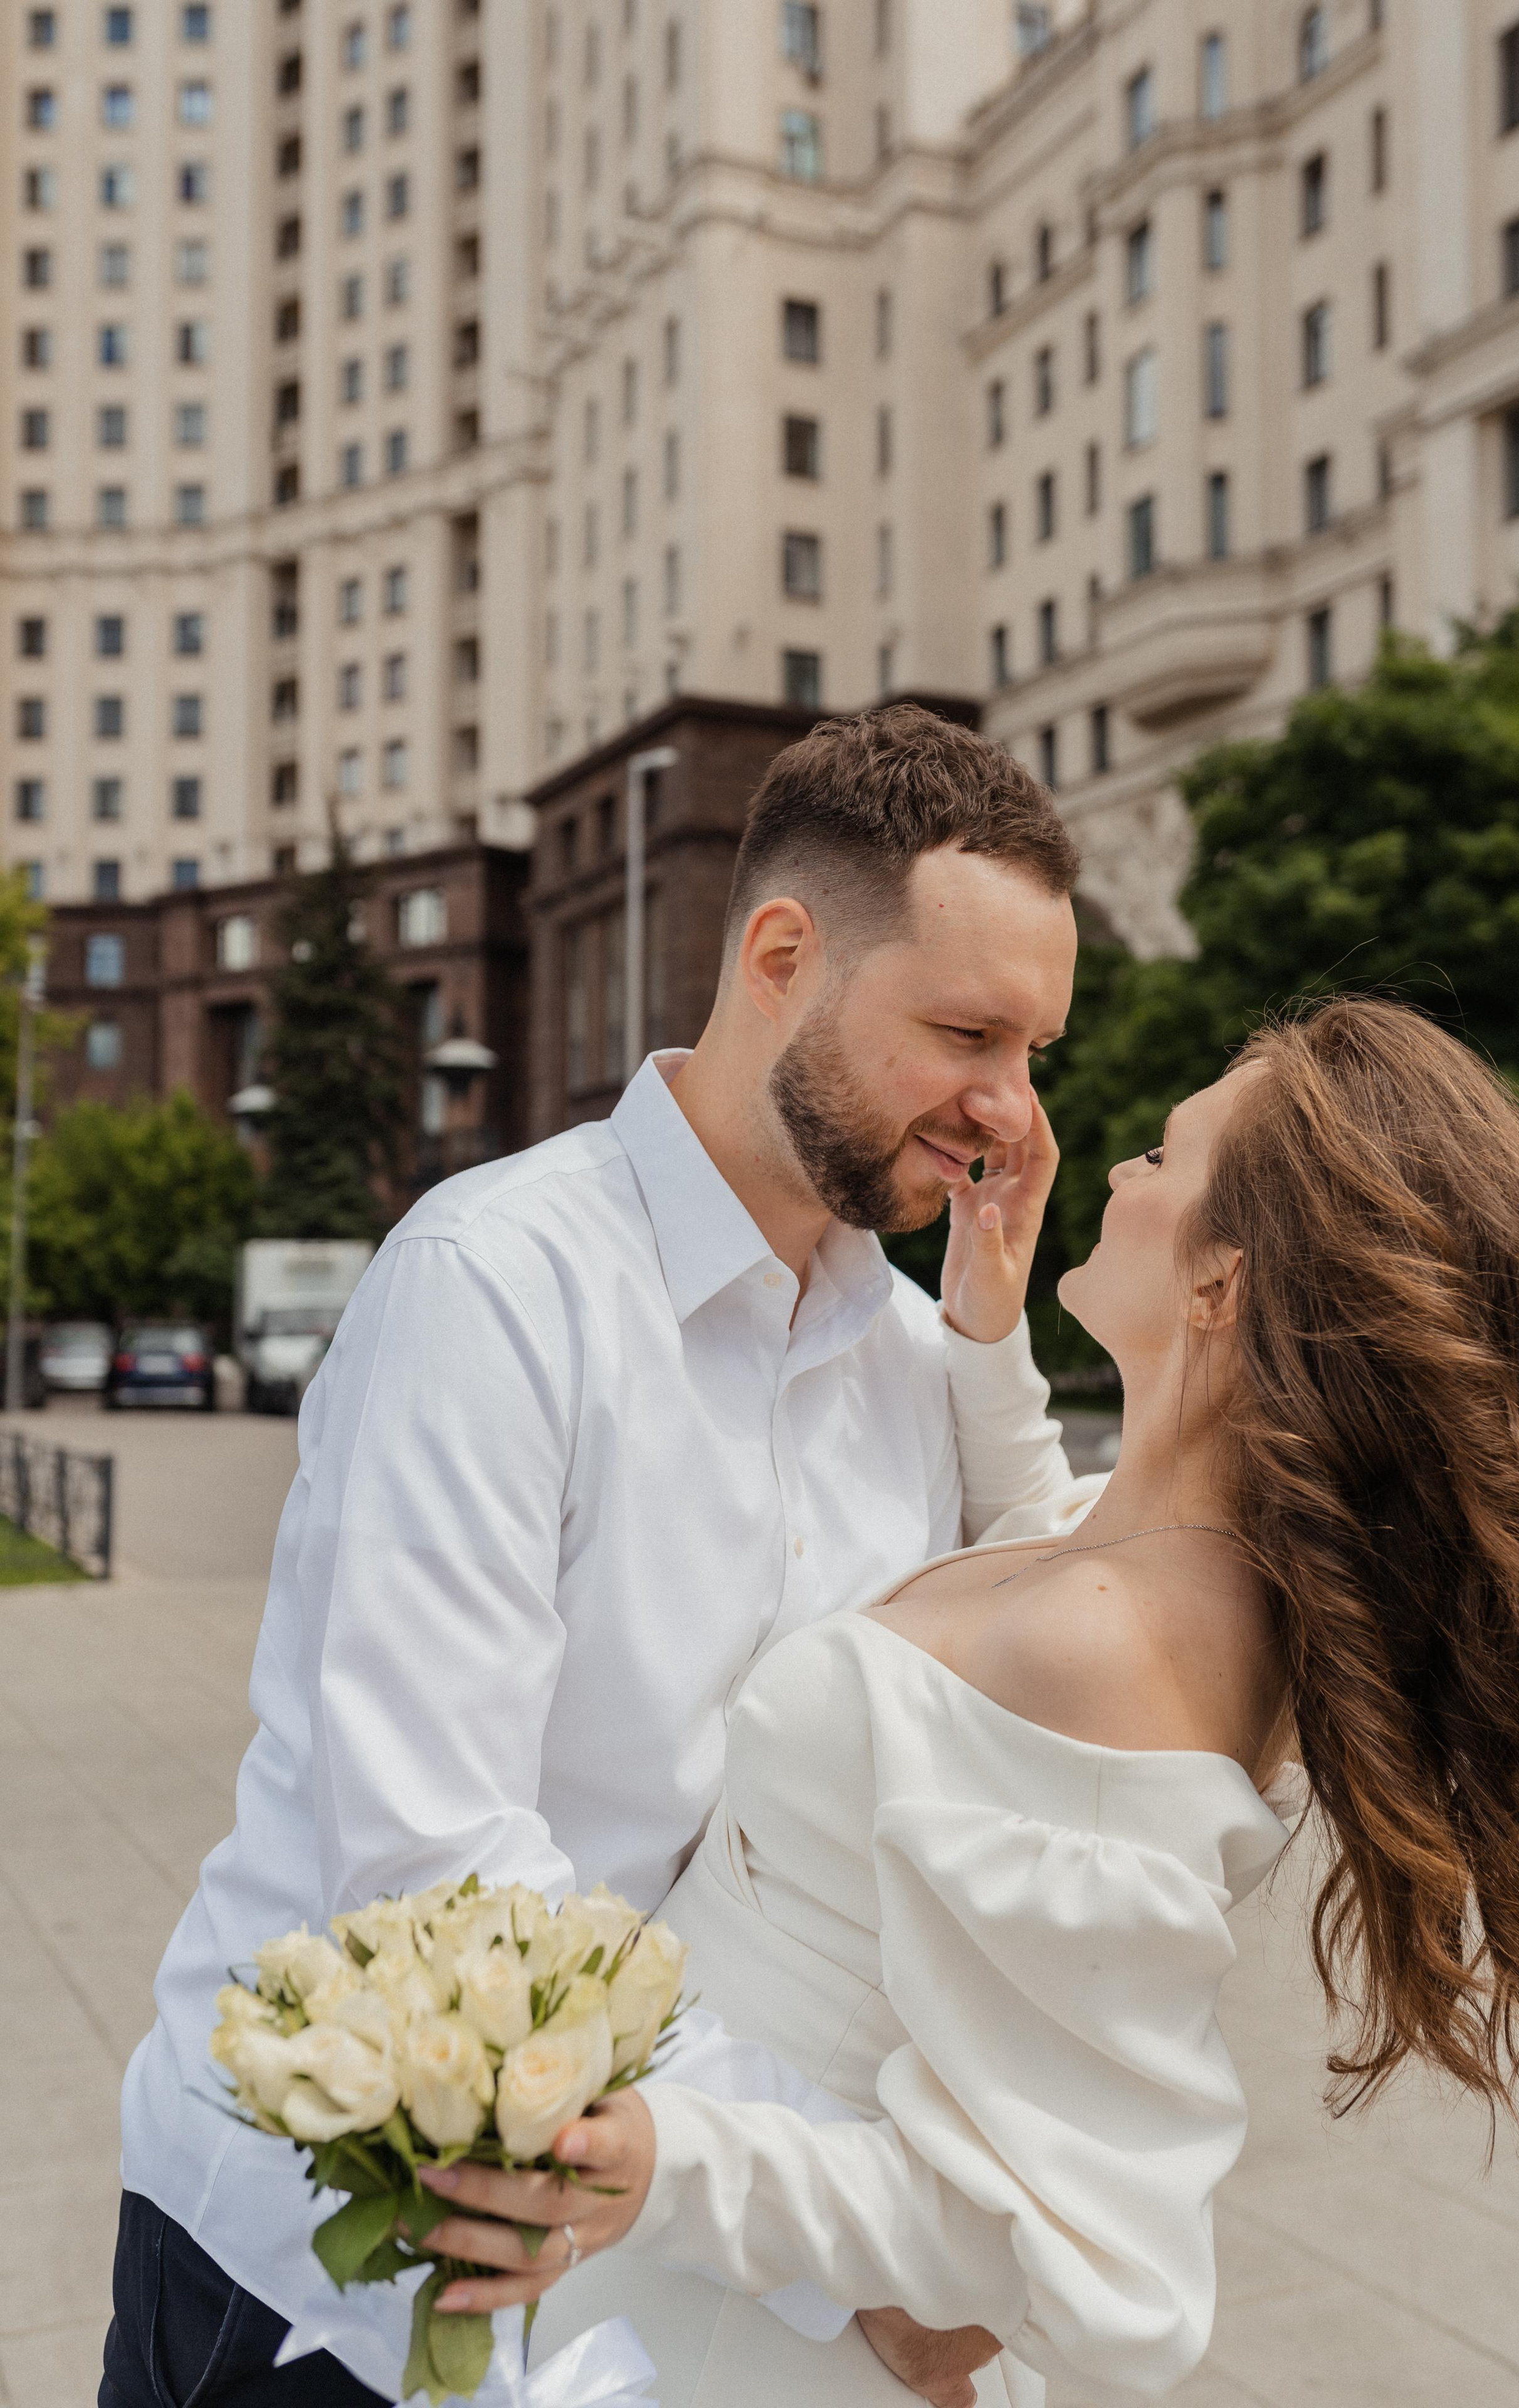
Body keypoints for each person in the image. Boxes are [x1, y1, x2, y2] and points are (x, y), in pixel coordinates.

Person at [102, 706, 1098, 2408]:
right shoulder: (494, 1289)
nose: (1009, 1116)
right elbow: (438, 1880)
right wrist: (868, 2239)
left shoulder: (917, 1357)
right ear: (780, 952)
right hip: (337, 2278)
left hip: (646, 2275)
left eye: (1035, 1055)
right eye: (965, 1034)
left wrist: (995, 1332)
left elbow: (1062, 1657)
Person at [413, 998, 1519, 2408]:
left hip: (743, 2333)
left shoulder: (1126, 1648)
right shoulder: (1161, 1556)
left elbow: (1083, 2250)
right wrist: (984, 1330)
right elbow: (1038, 1548)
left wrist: (665, 2165)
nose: (1113, 1174)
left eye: (1162, 1159)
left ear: (1222, 1281)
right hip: (707, 2292)